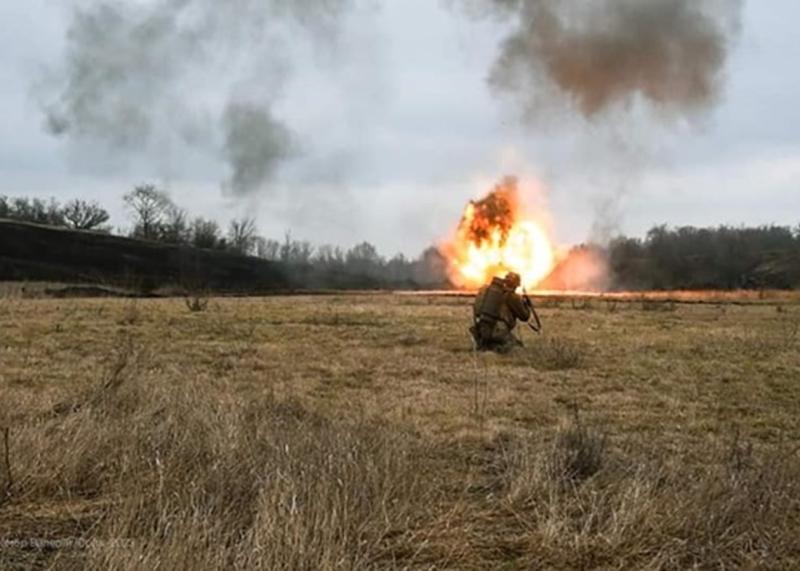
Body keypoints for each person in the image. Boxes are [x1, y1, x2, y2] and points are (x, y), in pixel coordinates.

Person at [470, 272, 531, 353]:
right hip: (498, 331)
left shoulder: (489, 291)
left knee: (489, 345)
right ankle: (494, 348)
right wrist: (527, 305)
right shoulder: (512, 297)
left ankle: (486, 345)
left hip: (481, 328)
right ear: (516, 285)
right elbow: (524, 317)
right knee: (516, 347)